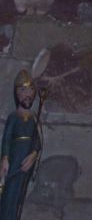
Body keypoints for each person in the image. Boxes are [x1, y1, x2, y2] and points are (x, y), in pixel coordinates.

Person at [0, 71, 42, 220]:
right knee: (9, 195)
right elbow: (6, 139)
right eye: (23, 90)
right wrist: (4, 158)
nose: (27, 94)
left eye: (30, 89)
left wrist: (33, 154)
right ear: (16, 93)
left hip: (26, 164)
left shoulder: (34, 118)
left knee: (20, 197)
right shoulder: (13, 117)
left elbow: (37, 141)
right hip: (13, 163)